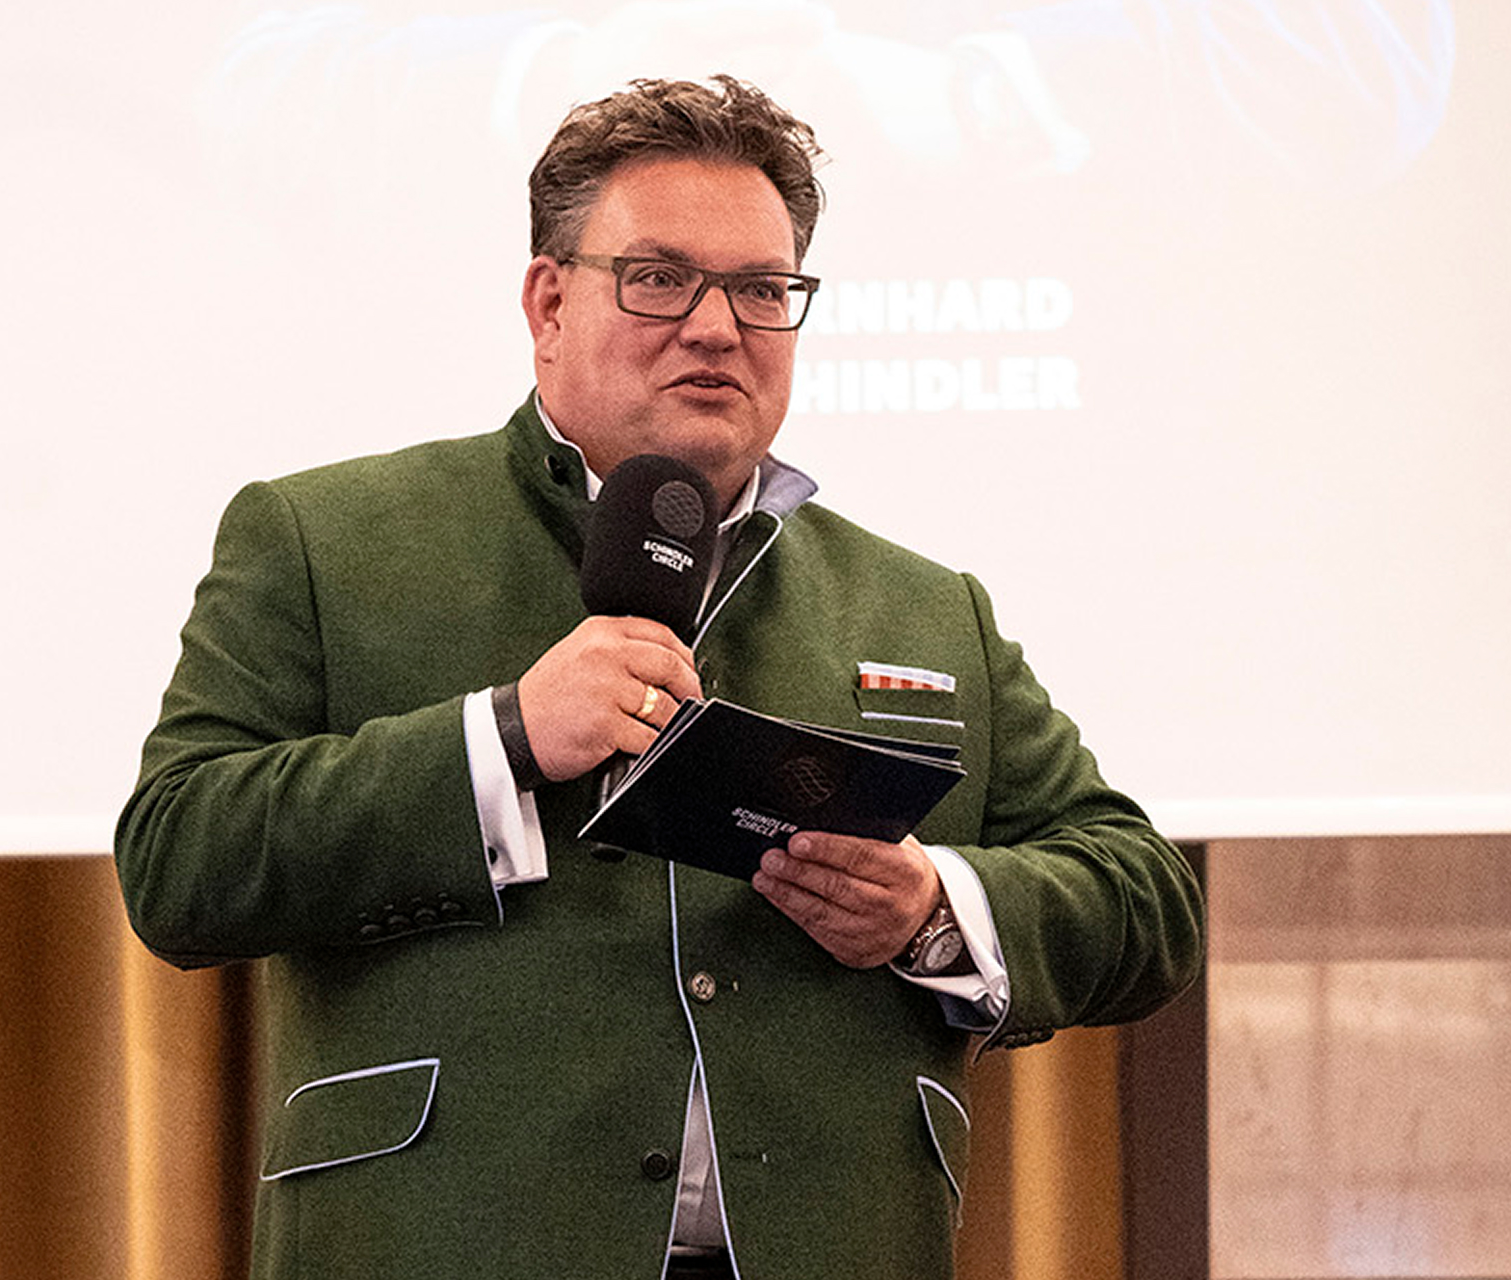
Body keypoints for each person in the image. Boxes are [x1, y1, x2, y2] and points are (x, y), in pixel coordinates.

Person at [116, 75, 1203, 1280]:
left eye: (761, 289)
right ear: (547, 302)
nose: (716, 325)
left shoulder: (923, 603)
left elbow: (1141, 900)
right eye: (659, 278)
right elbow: (179, 858)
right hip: (450, 1236)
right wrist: (505, 734)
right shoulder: (327, 537)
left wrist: (930, 908)